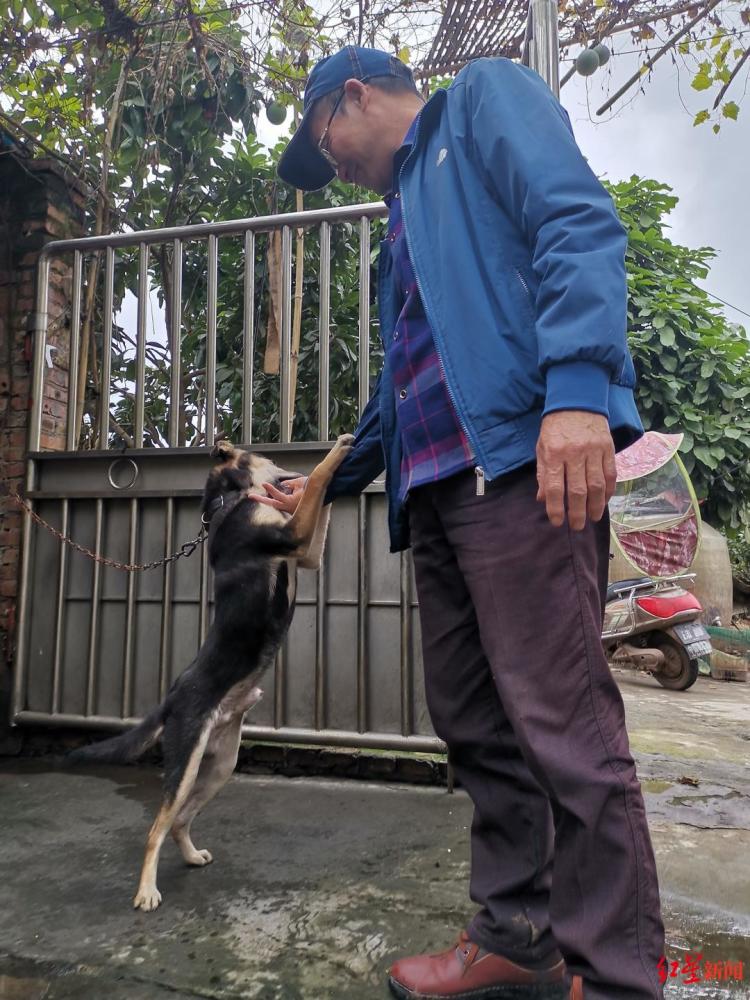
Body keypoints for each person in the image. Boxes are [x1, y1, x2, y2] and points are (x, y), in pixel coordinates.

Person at [262, 45, 666, 1000]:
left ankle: (618, 977)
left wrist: (578, 392)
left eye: (325, 141)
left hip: (522, 464)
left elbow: (575, 220)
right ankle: (518, 936)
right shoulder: (401, 218)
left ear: (354, 95)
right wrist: (326, 478)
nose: (333, 167)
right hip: (437, 494)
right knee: (475, 726)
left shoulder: (480, 101)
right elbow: (404, 385)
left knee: (565, 729)